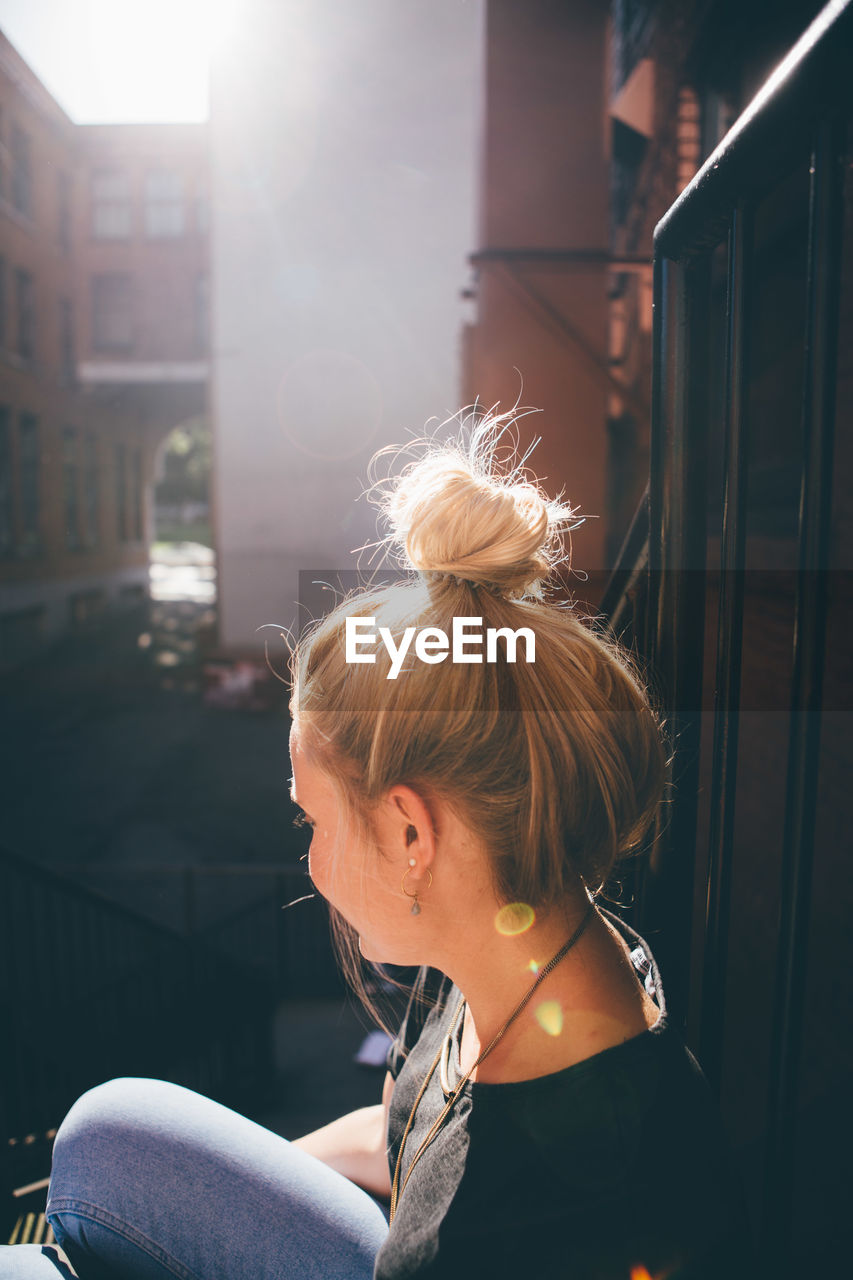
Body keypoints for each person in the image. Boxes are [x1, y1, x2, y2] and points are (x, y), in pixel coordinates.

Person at [1, 416, 752, 1278]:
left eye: (311, 821)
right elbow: (408, 1132)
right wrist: (217, 1203)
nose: (310, 859)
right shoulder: (511, 940)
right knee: (109, 1131)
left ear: (409, 832)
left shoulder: (549, 1220)